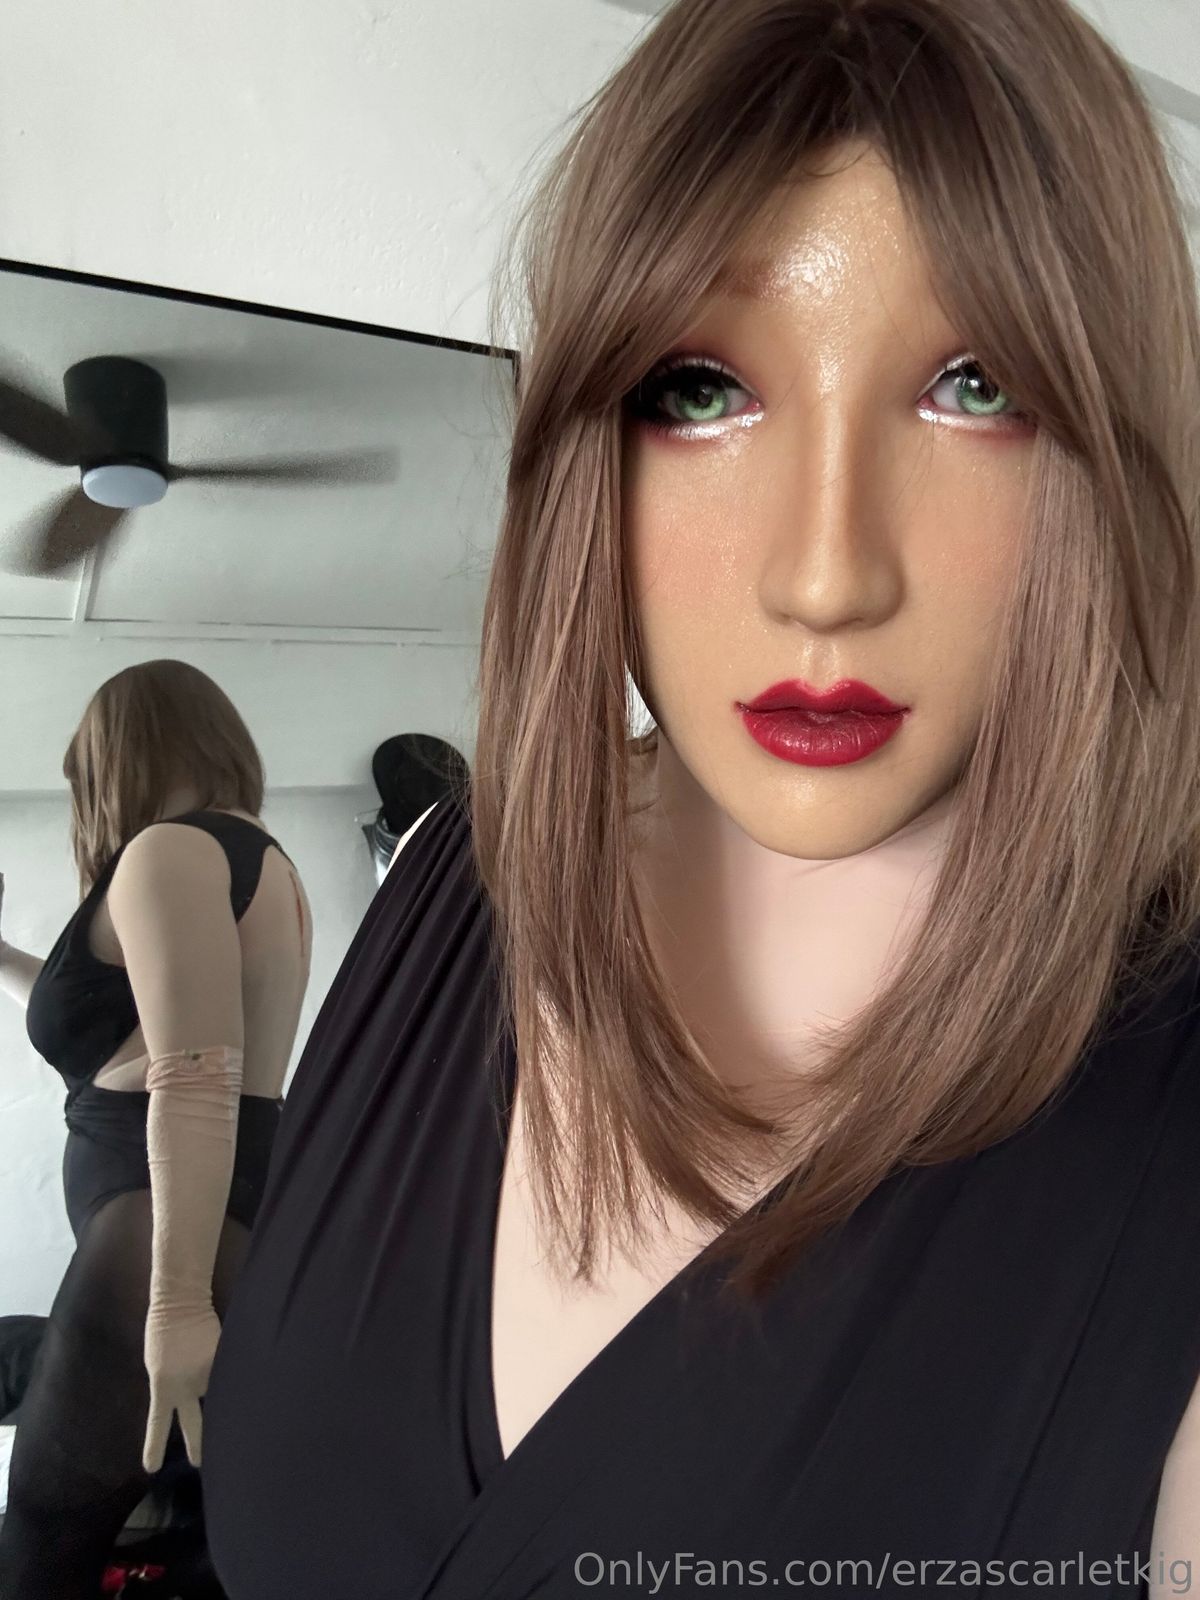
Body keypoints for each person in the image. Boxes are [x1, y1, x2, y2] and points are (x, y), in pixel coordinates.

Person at [201, 0, 1200, 1592]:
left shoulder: (1162, 1139)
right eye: (698, 389)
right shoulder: (449, 891)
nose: (825, 576)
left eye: (975, 386)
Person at [0, 658, 313, 1599]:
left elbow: (195, 1077)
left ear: (120, 757)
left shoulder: (169, 853)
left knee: (45, 1539)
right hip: (204, 1209)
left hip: (159, 1227)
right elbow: (136, 1031)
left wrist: (174, 1306)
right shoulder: (251, 856)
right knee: (177, 1528)